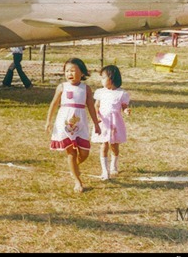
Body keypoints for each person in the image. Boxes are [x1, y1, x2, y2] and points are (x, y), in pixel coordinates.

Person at [45, 58, 101, 193]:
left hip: (80, 123)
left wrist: (96, 123)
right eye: (67, 71)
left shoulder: (86, 88)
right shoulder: (62, 87)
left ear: (82, 73)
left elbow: (91, 107)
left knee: (84, 153)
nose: (69, 73)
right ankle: (77, 181)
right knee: (71, 152)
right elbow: (54, 104)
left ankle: (73, 168)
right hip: (64, 123)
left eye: (73, 70)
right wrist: (48, 121)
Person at [90, 65, 130, 180]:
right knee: (104, 145)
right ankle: (105, 170)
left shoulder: (121, 93)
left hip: (115, 123)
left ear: (111, 79)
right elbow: (96, 105)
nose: (101, 80)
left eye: (103, 77)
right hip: (103, 122)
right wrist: (97, 115)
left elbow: (124, 106)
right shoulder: (100, 92)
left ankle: (114, 163)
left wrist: (126, 110)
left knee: (114, 146)